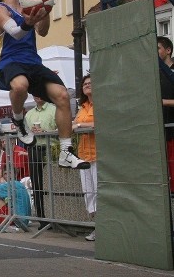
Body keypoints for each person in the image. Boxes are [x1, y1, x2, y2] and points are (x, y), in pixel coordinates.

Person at [0, 0, 88, 169]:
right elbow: (15, 33)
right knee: (20, 85)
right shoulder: (0, 10)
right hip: (8, 61)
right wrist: (27, 21)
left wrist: (46, 10)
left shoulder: (28, 5)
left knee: (62, 96)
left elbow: (43, 30)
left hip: (32, 61)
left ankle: (66, 152)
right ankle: (18, 120)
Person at [24, 95, 57, 227]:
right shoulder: (29, 114)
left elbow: (63, 129)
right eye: (34, 93)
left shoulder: (54, 110)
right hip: (34, 149)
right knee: (37, 185)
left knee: (52, 184)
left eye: (39, 92)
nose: (37, 96)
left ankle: (54, 217)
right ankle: (42, 219)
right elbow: (23, 133)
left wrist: (46, 131)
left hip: (51, 149)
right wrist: (30, 133)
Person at [73, 74, 97, 241]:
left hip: (98, 154)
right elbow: (72, 124)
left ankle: (103, 226)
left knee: (98, 191)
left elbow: (99, 123)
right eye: (85, 84)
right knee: (88, 192)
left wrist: (80, 125)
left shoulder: (100, 104)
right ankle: (97, 225)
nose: (87, 85)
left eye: (90, 83)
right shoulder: (83, 106)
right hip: (83, 154)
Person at [157, 36, 174, 192]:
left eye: (158, 49)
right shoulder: (156, 74)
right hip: (162, 132)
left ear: (168, 50)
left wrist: (162, 102)